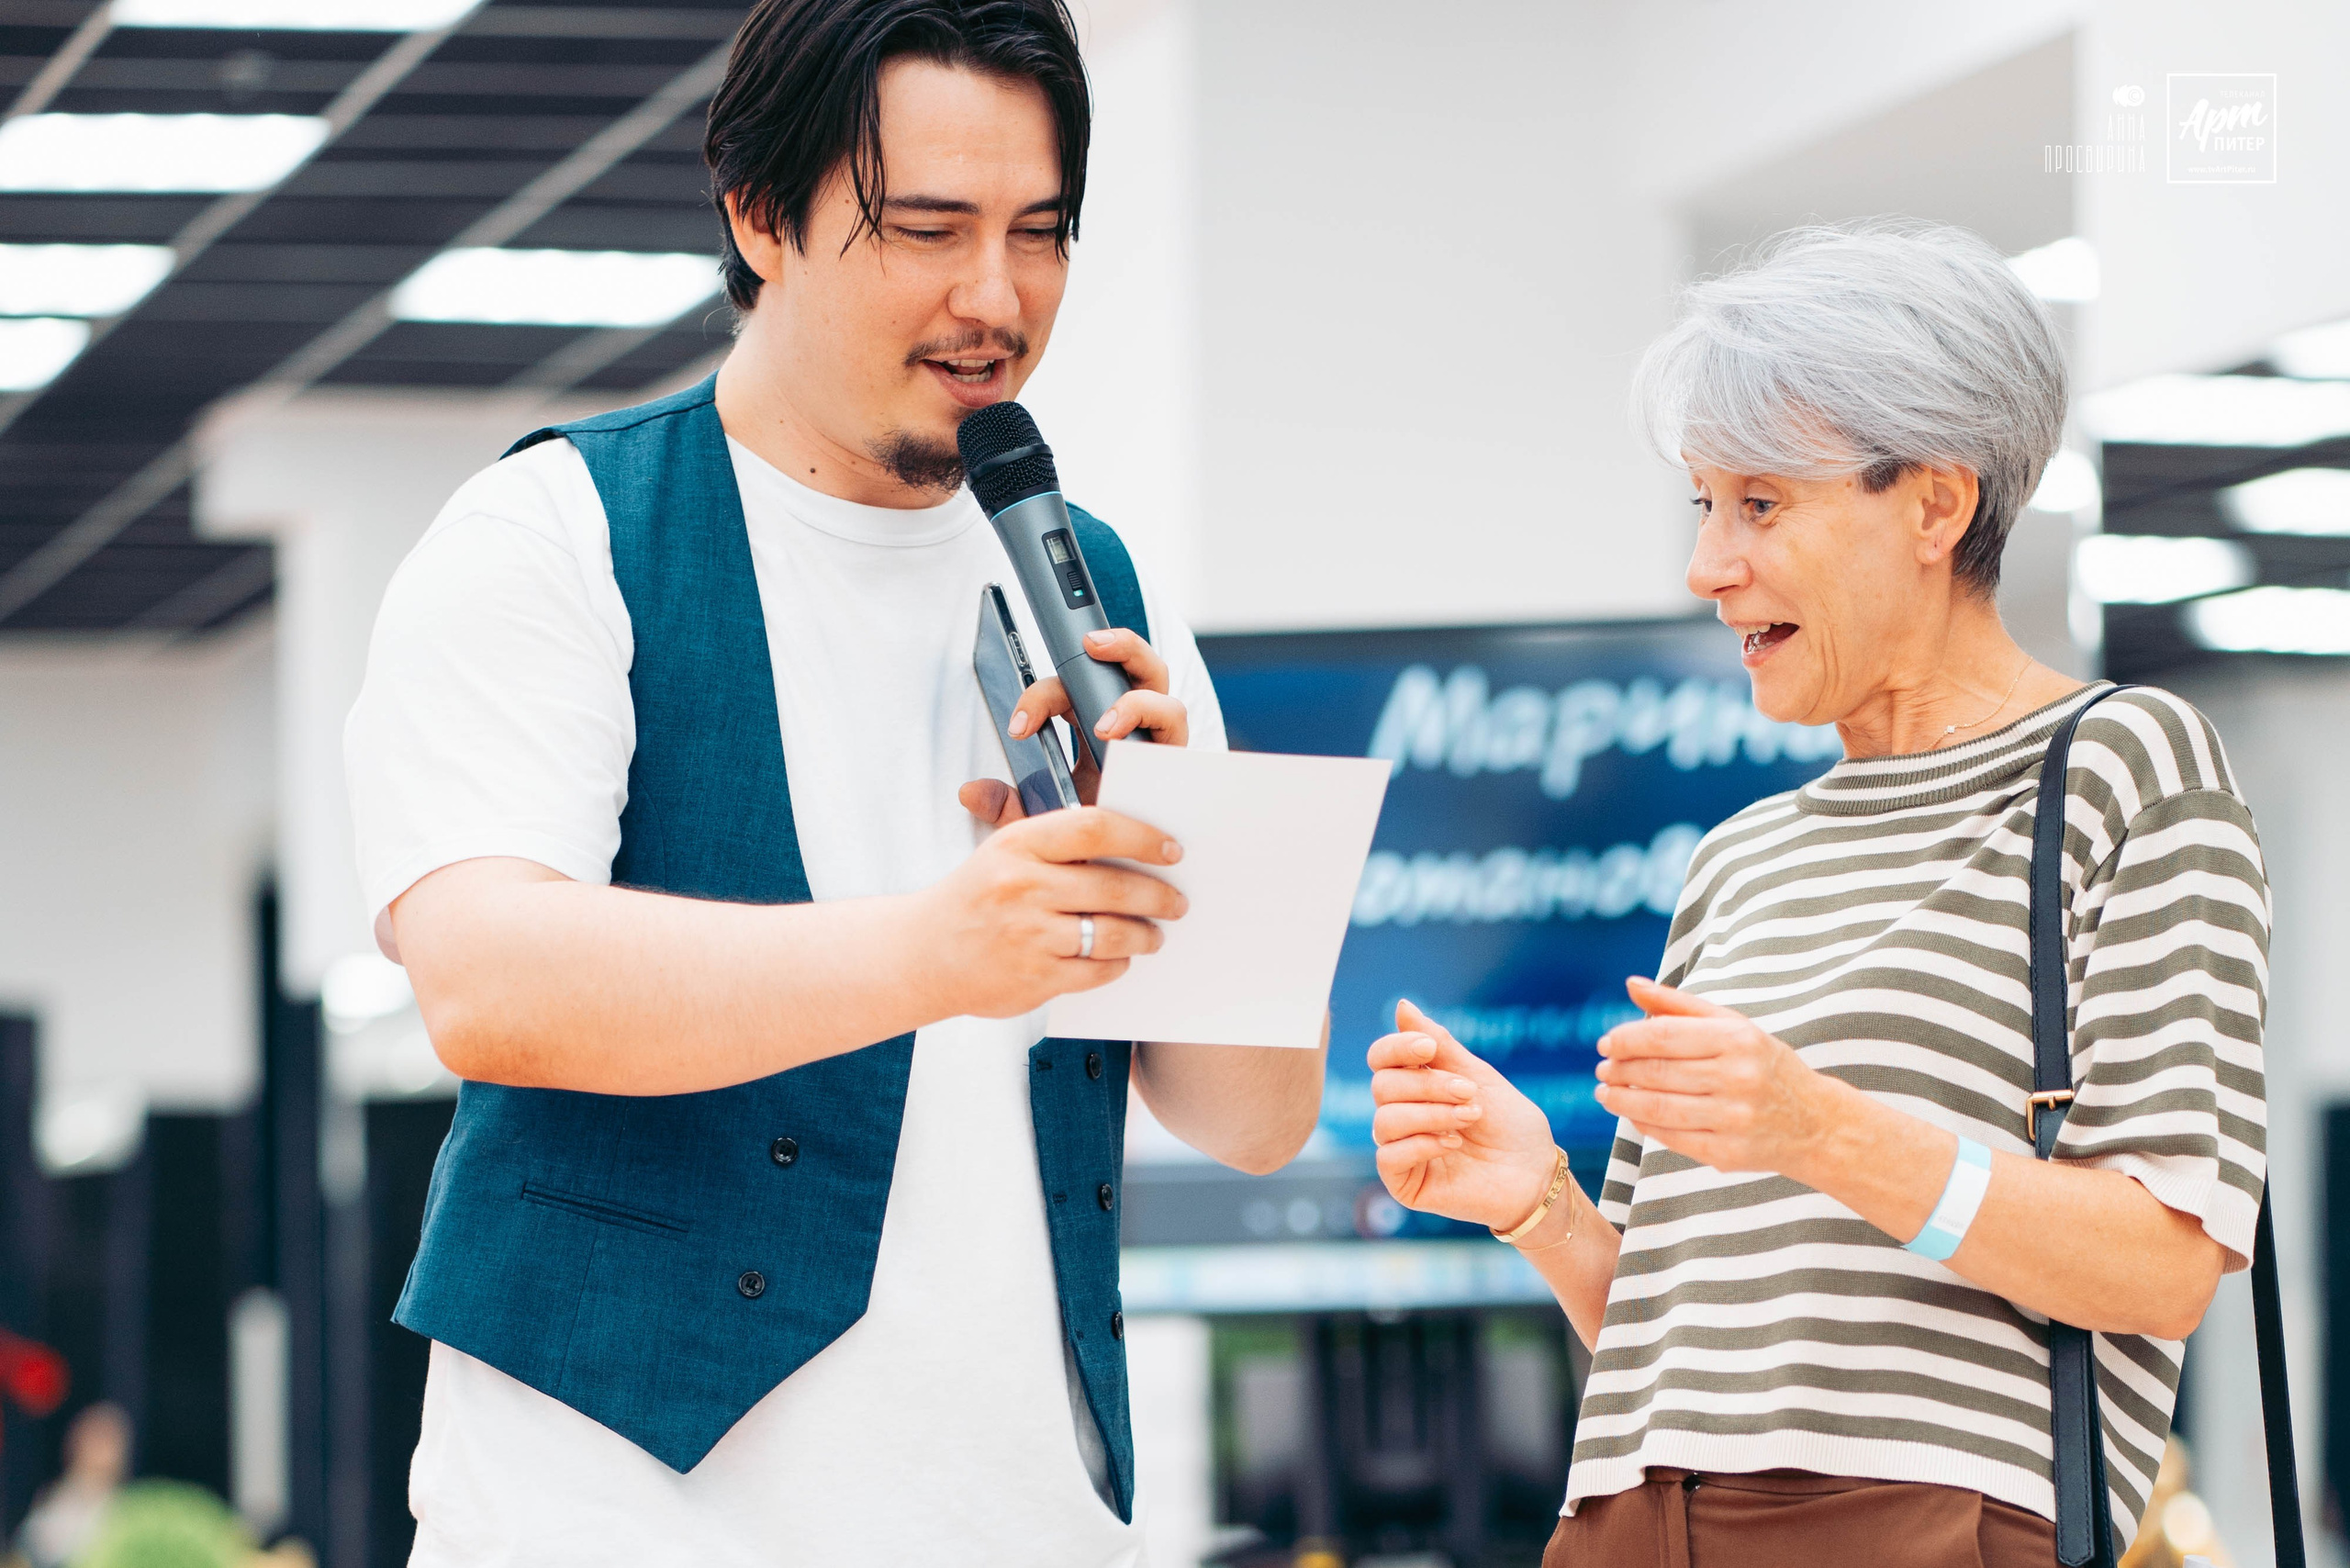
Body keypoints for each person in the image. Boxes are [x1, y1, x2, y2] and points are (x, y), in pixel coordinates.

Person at [341, 2, 1324, 1562]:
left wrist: (1188, 849)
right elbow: (489, 979)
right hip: (619, 1522)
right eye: (928, 229)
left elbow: (1261, 1122)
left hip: (1028, 1519)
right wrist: (946, 948)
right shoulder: (553, 537)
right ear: (758, 215)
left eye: (1039, 232)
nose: (994, 297)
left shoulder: (1099, 581)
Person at [1365, 221, 2266, 1567]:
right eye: (1704, 506)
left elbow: (2162, 1263)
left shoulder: (2122, 767)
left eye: (1762, 504)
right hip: (1624, 1521)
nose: (1706, 566)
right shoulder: (1742, 855)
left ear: (1935, 505)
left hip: (1913, 1531)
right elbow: (1679, 1352)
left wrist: (1818, 1127)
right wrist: (1540, 1202)